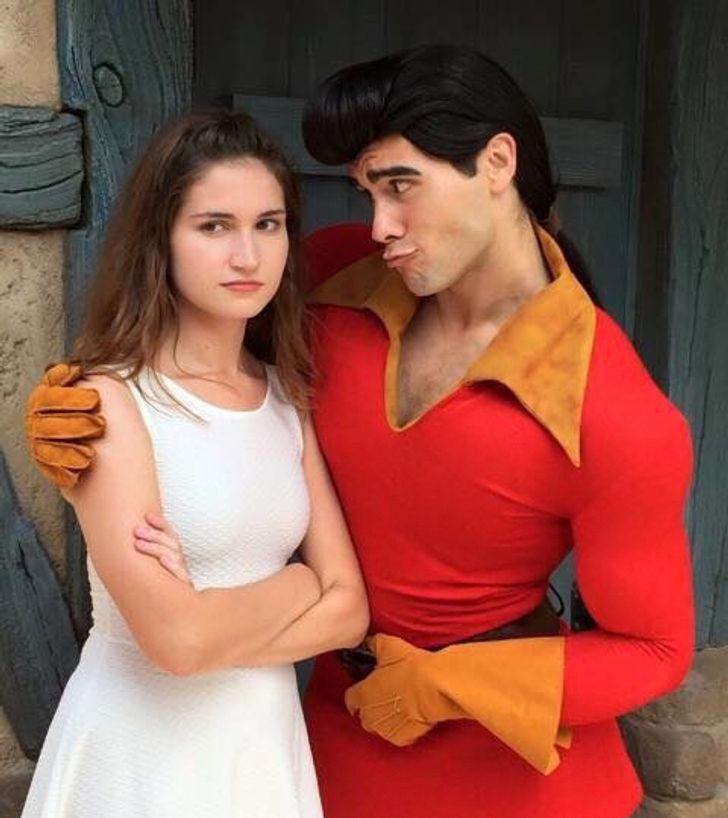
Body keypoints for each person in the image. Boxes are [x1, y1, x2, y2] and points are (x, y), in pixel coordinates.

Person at [26, 45, 694, 818]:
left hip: (513, 778)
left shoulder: (616, 411)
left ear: (497, 162)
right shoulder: (334, 277)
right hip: (317, 751)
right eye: (368, 191)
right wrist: (77, 411)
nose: (379, 225)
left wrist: (451, 685)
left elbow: (656, 651)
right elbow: (192, 368)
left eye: (401, 185)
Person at [21, 111, 369, 818]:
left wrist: (208, 624)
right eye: (214, 226)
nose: (247, 255)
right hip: (141, 755)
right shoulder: (106, 400)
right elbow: (177, 644)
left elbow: (351, 611)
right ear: (162, 240)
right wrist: (300, 582)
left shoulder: (284, 398)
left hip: (261, 747)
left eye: (268, 224)